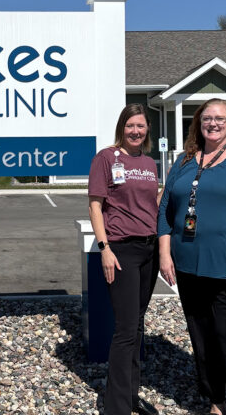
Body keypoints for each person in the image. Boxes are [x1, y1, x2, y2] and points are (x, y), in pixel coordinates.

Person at [157, 99, 226, 415]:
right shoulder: (184, 161)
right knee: (202, 339)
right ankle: (215, 400)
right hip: (188, 267)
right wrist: (165, 255)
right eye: (207, 118)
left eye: (221, 118)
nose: (214, 123)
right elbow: (165, 210)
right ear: (198, 123)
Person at [88, 103, 160, 415]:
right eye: (130, 125)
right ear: (122, 127)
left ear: (147, 130)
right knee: (126, 329)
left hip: (149, 249)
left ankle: (131, 396)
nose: (136, 131)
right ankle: (115, 407)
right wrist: (104, 248)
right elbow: (94, 205)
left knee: (138, 326)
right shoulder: (106, 157)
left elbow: (149, 201)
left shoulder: (149, 162)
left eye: (141, 126)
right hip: (121, 250)